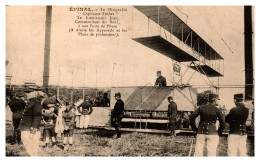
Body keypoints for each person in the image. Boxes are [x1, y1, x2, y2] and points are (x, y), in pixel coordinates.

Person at [19, 90, 45, 156]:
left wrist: (34, 126)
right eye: (26, 92)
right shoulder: (29, 102)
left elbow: (37, 115)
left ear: (34, 94)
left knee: (33, 147)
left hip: (31, 127)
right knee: (28, 144)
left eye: (28, 92)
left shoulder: (36, 102)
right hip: (25, 127)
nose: (26, 94)